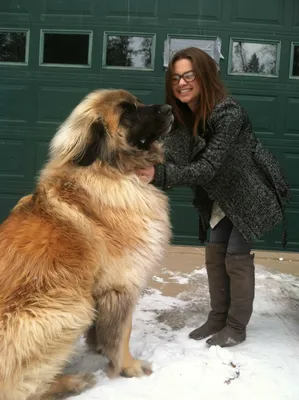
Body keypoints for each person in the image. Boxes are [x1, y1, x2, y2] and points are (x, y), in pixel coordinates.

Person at [136, 47, 291, 348]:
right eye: (176, 77)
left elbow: (207, 167)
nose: (181, 83)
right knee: (215, 250)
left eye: (189, 75)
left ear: (204, 76)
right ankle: (218, 316)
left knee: (235, 254)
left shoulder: (228, 112)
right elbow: (167, 150)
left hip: (249, 193)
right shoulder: (185, 117)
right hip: (222, 195)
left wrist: (160, 175)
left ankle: (236, 326)